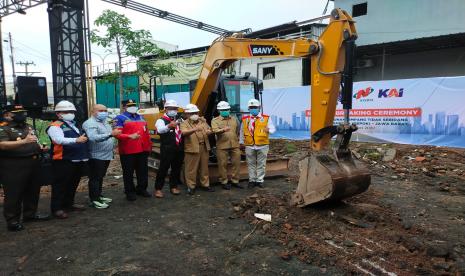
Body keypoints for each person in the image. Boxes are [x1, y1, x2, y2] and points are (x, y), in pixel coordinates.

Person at [0, 104, 50, 231]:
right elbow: (2, 145)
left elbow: (34, 140)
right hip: (14, 165)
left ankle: (30, 214)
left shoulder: (28, 126)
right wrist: (24, 141)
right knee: (14, 194)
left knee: (32, 191)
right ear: (7, 115)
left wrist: (40, 147)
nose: (22, 115)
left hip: (33, 162)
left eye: (23, 112)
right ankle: (12, 220)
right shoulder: (3, 128)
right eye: (17, 113)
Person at [47, 100, 89, 219]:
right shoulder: (55, 126)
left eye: (71, 111)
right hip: (63, 160)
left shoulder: (74, 124)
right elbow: (58, 140)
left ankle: (68, 204)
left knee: (72, 184)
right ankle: (57, 208)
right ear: (58, 114)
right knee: (60, 185)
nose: (70, 113)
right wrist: (76, 140)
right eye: (66, 111)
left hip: (76, 159)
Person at [82, 104, 121, 209]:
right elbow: (93, 137)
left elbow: (110, 134)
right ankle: (94, 200)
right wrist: (111, 134)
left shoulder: (105, 122)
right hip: (96, 155)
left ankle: (98, 195)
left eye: (105, 110)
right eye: (100, 110)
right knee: (95, 178)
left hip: (106, 155)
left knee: (100, 177)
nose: (103, 112)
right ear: (93, 111)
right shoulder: (90, 123)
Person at [114, 100, 151, 201]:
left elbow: (146, 132)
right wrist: (129, 136)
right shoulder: (120, 118)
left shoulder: (141, 117)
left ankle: (142, 189)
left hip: (142, 149)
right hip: (128, 150)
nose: (132, 107)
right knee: (128, 172)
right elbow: (117, 134)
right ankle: (129, 191)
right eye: (129, 106)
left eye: (134, 105)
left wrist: (149, 146)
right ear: (124, 107)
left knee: (143, 171)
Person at [239, 99, 276, 188]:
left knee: (261, 164)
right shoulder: (245, 119)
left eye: (255, 107)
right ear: (248, 108)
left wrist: (269, 130)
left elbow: (273, 129)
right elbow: (242, 131)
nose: (253, 109)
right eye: (251, 107)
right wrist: (241, 142)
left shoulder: (266, 118)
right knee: (250, 164)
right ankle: (252, 180)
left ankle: (259, 180)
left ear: (259, 108)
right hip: (249, 145)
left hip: (262, 145)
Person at [180, 103, 215, 195]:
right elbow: (183, 133)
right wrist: (195, 129)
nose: (194, 114)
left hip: (204, 147)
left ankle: (205, 185)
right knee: (191, 169)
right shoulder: (184, 123)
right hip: (192, 148)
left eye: (195, 112)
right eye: (191, 113)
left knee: (204, 168)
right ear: (187, 114)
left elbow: (209, 129)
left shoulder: (202, 121)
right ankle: (191, 186)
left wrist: (209, 132)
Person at [153, 100, 183, 198]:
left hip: (178, 148)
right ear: (166, 109)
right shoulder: (161, 120)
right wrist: (169, 126)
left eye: (175, 108)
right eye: (171, 108)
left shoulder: (179, 119)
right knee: (163, 168)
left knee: (176, 168)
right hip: (167, 148)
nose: (173, 110)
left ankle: (173, 186)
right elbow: (160, 130)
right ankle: (158, 189)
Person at [211, 101, 242, 190]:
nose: (225, 111)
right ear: (219, 111)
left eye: (226, 109)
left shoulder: (234, 119)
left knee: (236, 163)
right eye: (222, 110)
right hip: (222, 145)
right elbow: (215, 130)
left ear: (229, 110)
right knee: (222, 164)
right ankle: (224, 182)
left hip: (234, 144)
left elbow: (237, 130)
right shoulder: (215, 120)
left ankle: (235, 181)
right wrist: (223, 130)